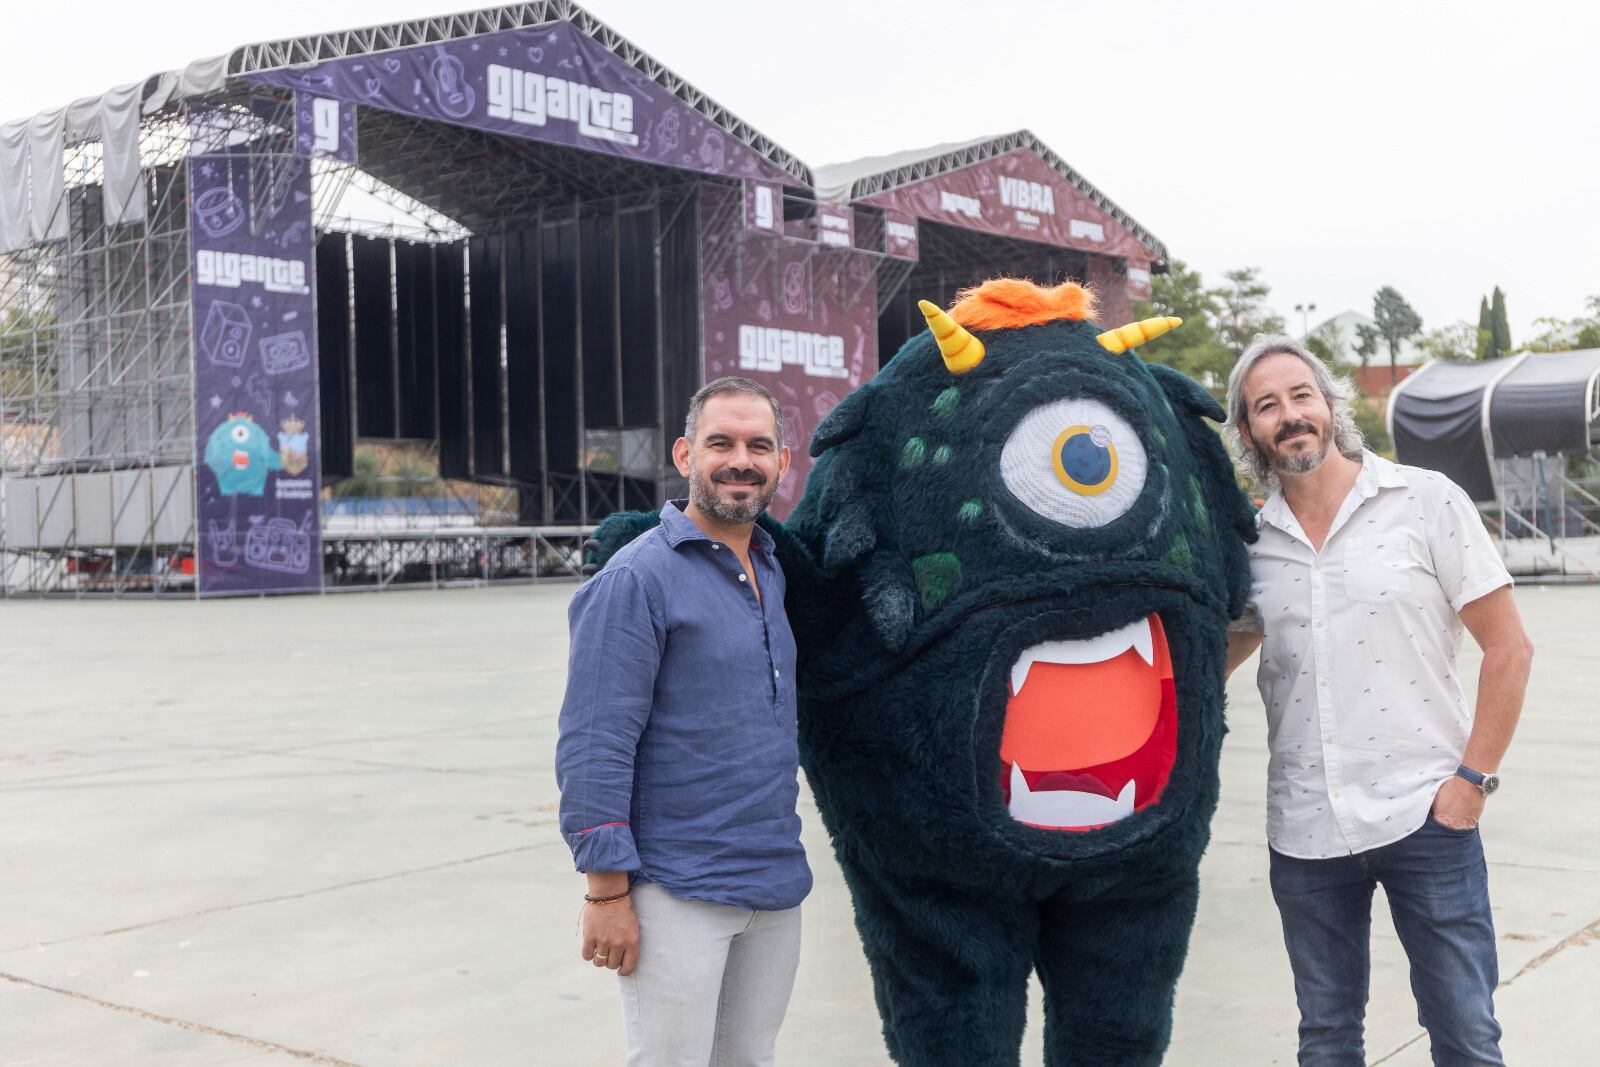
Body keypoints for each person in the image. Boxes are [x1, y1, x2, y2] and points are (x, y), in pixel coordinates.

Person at [1223, 335, 1534, 1066]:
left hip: (1427, 813)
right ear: (1247, 432)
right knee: (1327, 1038)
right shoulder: (1250, 545)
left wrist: (1471, 783)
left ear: (1330, 404)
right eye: (1266, 406)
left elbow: (1510, 648)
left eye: (1301, 395)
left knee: (1465, 1033)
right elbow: (1210, 662)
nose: (1290, 414)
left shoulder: (1425, 501)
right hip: (1304, 830)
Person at [555, 376, 811, 1066]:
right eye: (720, 442)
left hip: (773, 882)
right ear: (683, 454)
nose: (740, 460)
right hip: (677, 887)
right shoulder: (637, 578)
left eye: (760, 445)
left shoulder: (773, 570)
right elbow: (594, 738)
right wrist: (606, 890)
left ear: (782, 463)